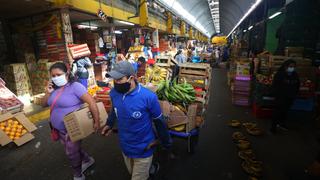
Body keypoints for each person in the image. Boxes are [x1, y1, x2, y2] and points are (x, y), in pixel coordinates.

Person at [101, 61, 172, 180]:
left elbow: (159, 121)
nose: (116, 83)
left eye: (119, 79)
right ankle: (151, 168)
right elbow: (114, 110)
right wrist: (109, 123)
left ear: (131, 78)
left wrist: (166, 142)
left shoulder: (148, 97)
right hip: (125, 147)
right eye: (114, 80)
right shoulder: (114, 93)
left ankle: (149, 168)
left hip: (144, 148)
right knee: (132, 172)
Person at [42, 62, 100, 180]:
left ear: (67, 74)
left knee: (71, 153)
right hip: (58, 129)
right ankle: (87, 160)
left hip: (73, 127)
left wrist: (97, 121)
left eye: (58, 74)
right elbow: (44, 104)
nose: (55, 78)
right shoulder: (53, 89)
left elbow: (91, 102)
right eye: (53, 76)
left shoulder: (75, 87)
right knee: (72, 148)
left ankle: (78, 175)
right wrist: (47, 93)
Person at [270, 59, 300, 133]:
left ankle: (282, 124)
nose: (292, 68)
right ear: (285, 66)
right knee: (277, 112)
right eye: (290, 66)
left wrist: (295, 94)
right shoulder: (279, 74)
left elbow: (297, 85)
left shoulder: (295, 75)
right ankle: (273, 127)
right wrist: (277, 94)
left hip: (290, 97)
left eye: (293, 66)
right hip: (280, 97)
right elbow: (275, 85)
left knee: (285, 111)